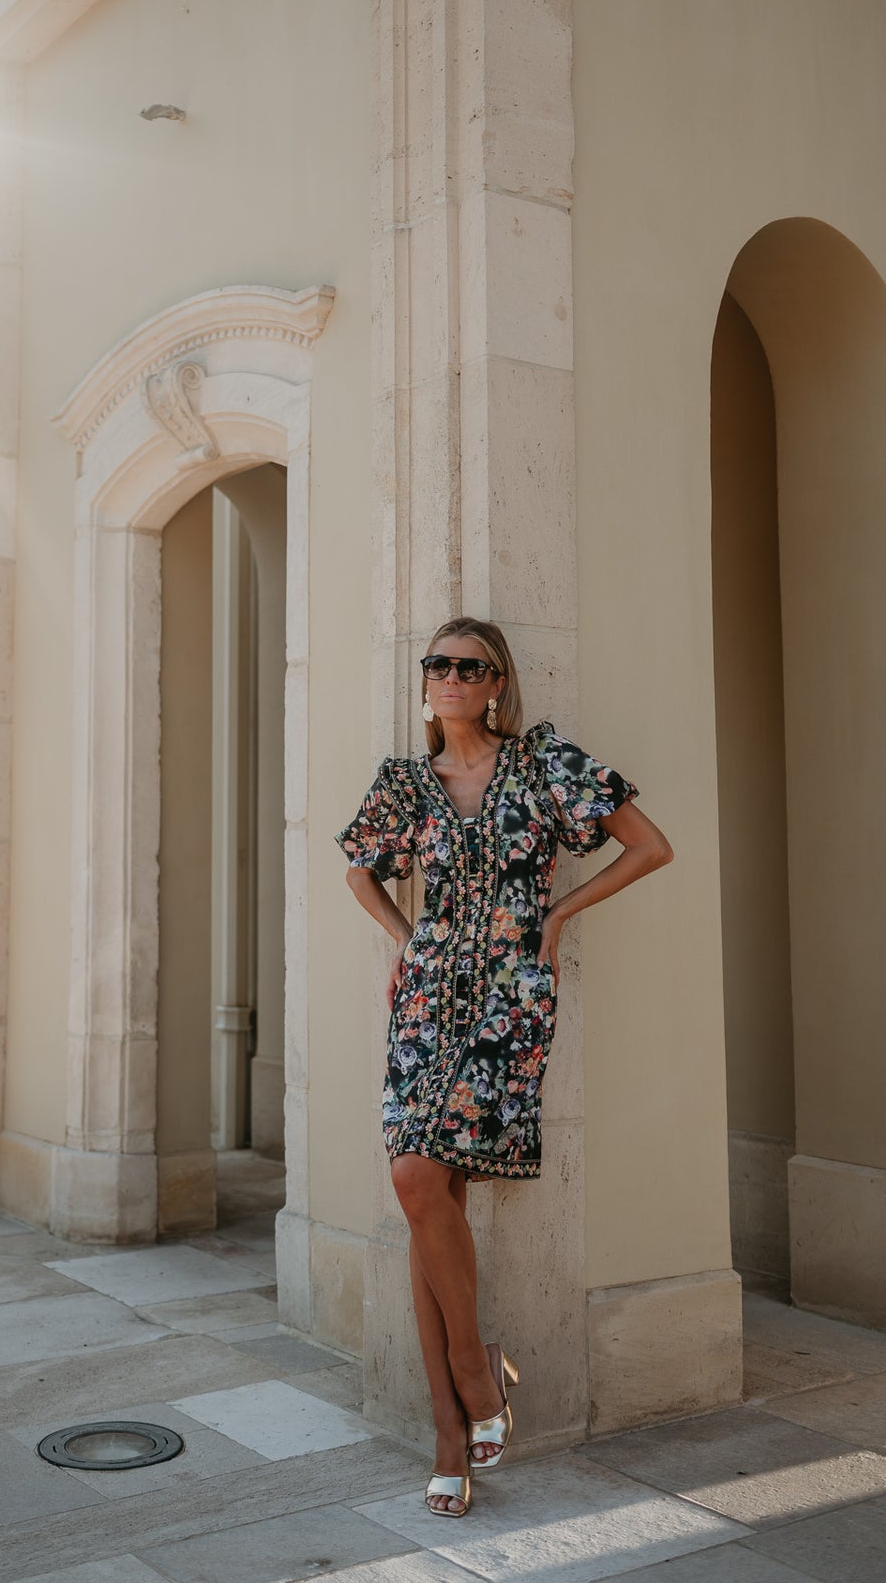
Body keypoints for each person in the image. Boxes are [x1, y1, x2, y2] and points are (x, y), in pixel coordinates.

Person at [336, 616, 673, 1517]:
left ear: (495, 685)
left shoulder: (542, 764)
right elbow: (360, 873)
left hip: (509, 999)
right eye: (437, 664)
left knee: (421, 1184)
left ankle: (463, 1399)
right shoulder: (402, 783)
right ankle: (460, 1409)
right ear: (425, 682)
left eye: (469, 666)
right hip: (425, 997)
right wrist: (405, 940)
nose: (450, 676)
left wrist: (558, 915)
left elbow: (649, 846)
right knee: (421, 1189)